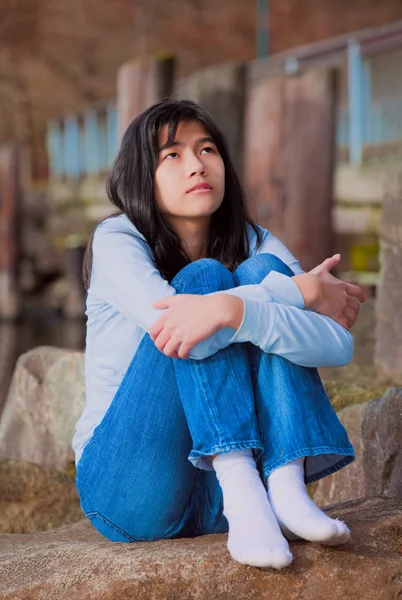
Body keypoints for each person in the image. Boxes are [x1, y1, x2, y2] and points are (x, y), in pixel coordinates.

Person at [72, 99, 365, 570]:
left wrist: (236, 309)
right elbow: (181, 331)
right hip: (130, 486)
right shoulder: (117, 238)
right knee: (203, 280)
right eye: (173, 155)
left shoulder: (255, 243)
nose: (197, 165)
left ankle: (286, 488)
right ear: (140, 175)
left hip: (217, 503)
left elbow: (337, 344)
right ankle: (246, 489)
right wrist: (295, 293)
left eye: (207, 149)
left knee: (255, 274)